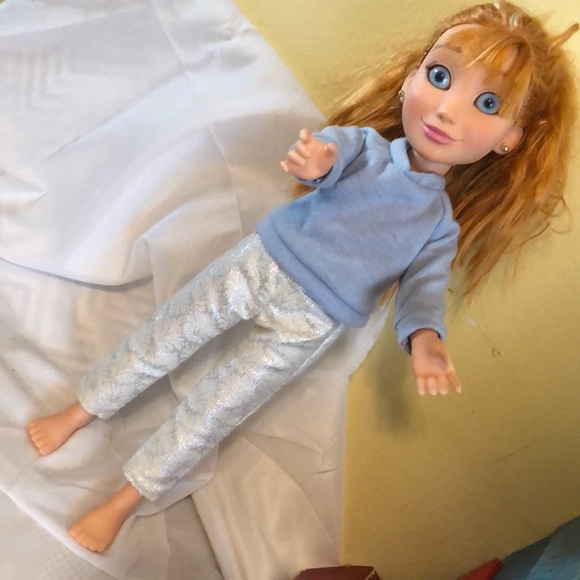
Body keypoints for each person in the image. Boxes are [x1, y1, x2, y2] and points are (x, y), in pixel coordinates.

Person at [27, 1, 578, 553]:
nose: (445, 110)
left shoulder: (437, 227)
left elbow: (423, 288)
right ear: (412, 77)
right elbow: (334, 151)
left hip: (310, 323)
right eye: (439, 76)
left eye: (487, 103)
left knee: (216, 410)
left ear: (510, 138)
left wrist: (425, 337)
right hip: (258, 264)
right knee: (167, 335)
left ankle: (122, 502)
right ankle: (80, 410)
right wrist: (318, 164)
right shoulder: (368, 149)